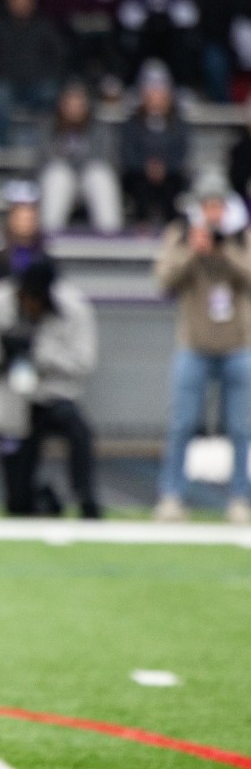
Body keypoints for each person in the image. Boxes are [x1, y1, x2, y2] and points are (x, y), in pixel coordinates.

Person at [0, 259, 102, 518]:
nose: (32, 307)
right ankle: (41, 498)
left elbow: (84, 362)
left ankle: (85, 494)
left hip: (54, 396)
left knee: (79, 431)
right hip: (11, 402)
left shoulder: (73, 307)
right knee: (17, 504)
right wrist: (3, 354)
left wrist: (39, 354)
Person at [151, 173, 251, 524]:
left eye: (217, 205)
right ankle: (172, 495)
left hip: (238, 346)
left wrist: (225, 251)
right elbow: (163, 281)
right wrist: (192, 252)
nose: (212, 212)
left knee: (241, 428)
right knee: (182, 424)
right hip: (193, 345)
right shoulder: (182, 234)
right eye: (207, 205)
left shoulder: (241, 236)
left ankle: (241, 497)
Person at [38, 80, 124, 235]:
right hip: (62, 182)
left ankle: (110, 237)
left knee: (99, 174)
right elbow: (44, 162)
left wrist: (72, 160)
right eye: (70, 103)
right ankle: (49, 237)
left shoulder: (100, 129)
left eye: (79, 103)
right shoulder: (49, 128)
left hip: (89, 180)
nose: (74, 108)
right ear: (62, 104)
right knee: (58, 174)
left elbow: (106, 160)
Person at [119, 60, 190, 228]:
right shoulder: (132, 123)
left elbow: (182, 152)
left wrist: (164, 166)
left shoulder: (178, 124)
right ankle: (141, 225)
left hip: (170, 173)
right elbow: (127, 152)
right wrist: (146, 166)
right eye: (152, 92)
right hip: (139, 172)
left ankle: (172, 228)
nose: (156, 97)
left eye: (161, 92)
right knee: (139, 184)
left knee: (173, 185)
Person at [0, 0, 67, 147]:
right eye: (17, 0)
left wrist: (45, 73)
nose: (21, 4)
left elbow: (60, 53)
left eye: (25, 1)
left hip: (36, 84)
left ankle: (42, 146)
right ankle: (3, 147)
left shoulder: (43, 25)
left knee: (50, 92)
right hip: (8, 84)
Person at [0, 180, 50, 290]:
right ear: (10, 217)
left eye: (29, 216)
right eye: (19, 215)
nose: (25, 220)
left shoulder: (44, 258)